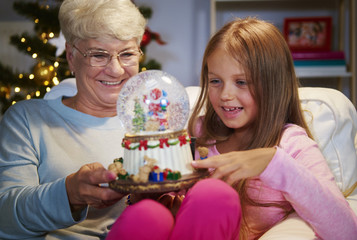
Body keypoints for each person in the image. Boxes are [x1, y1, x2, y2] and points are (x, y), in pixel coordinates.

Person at [106, 17, 357, 240]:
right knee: (147, 215)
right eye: (215, 81)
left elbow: (348, 231)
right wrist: (152, 193)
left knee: (214, 194)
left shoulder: (291, 144)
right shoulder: (201, 134)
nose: (225, 95)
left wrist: (273, 162)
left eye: (241, 82)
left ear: (273, 85)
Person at [0, 0, 146, 239]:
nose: (116, 70)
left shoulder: (156, 122)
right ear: (71, 57)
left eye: (127, 53)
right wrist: (68, 195)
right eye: (99, 55)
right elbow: (4, 218)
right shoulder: (27, 120)